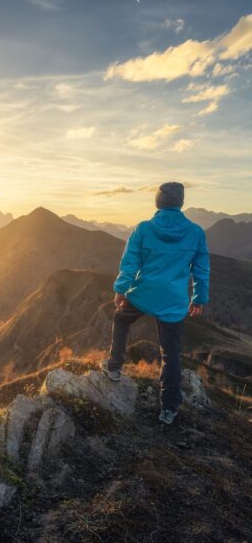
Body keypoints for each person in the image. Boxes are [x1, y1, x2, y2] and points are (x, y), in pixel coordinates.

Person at [100, 182, 210, 425]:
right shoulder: (195, 233)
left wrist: (121, 289)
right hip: (173, 301)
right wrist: (199, 298)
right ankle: (168, 408)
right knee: (171, 353)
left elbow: (130, 263)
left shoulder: (143, 229)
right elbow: (201, 270)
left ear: (157, 202)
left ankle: (114, 367)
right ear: (181, 203)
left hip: (143, 293)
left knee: (120, 319)